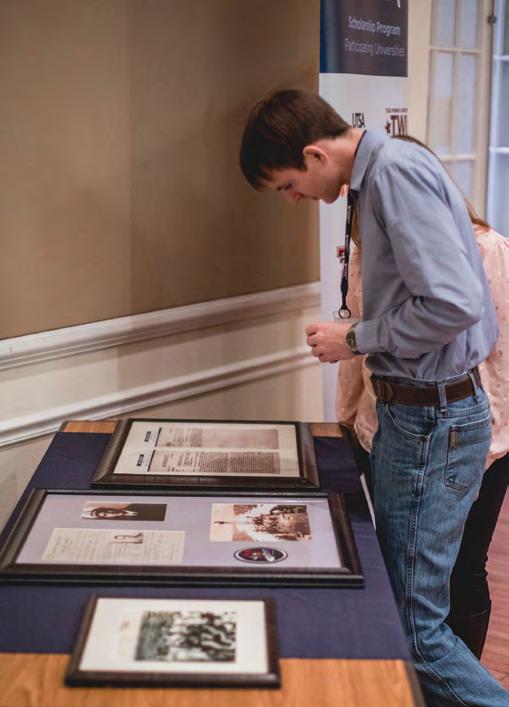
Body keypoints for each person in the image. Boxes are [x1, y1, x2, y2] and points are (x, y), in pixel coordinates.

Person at [239, 88, 509, 706]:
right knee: (408, 614)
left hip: (431, 419)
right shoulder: (386, 173)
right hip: (420, 415)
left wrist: (355, 337)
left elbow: (455, 304)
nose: (294, 199)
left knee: (414, 632)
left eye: (288, 185)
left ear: (313, 154)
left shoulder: (392, 176)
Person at [337, 140, 509, 660]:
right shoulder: (367, 252)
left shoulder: (488, 249)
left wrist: (479, 450)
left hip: (473, 435)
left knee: (460, 571)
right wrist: (348, 422)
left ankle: (459, 680)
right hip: (388, 429)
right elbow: (359, 344)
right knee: (406, 581)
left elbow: (498, 358)